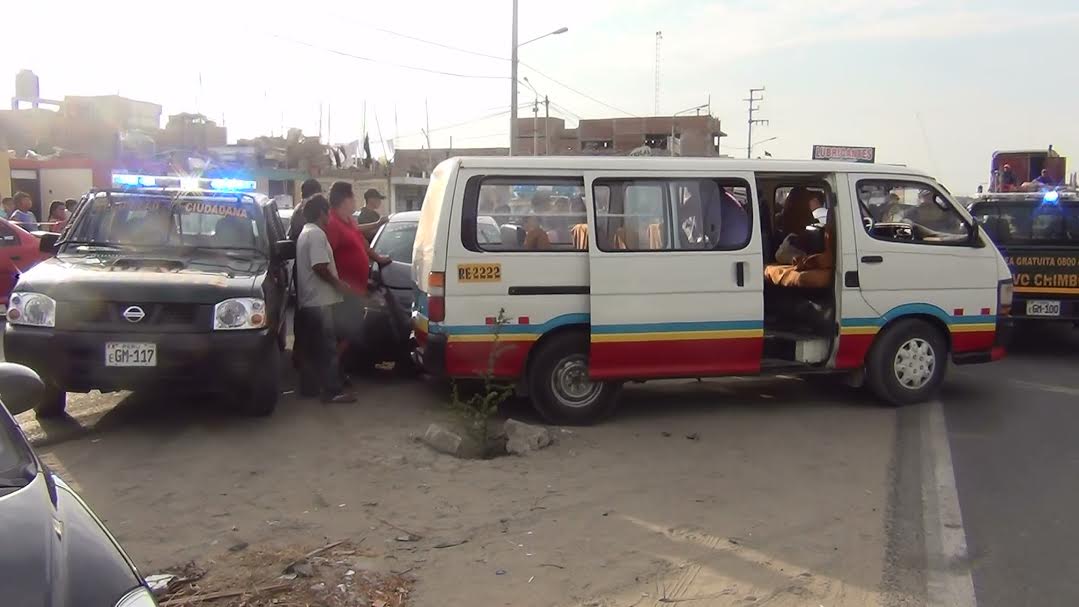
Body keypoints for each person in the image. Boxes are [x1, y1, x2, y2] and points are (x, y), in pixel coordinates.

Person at [294, 194, 355, 404]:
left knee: (312, 348)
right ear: (321, 212)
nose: (330, 215)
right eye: (327, 211)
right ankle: (333, 391)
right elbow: (320, 266)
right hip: (320, 301)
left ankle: (309, 388)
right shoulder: (317, 234)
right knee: (328, 348)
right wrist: (339, 285)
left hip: (310, 300)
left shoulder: (306, 232)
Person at [325, 182, 391, 373]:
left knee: (351, 331)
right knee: (346, 333)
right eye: (352, 197)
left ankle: (339, 370)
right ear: (345, 200)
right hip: (344, 291)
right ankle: (332, 373)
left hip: (356, 289)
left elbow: (362, 242)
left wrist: (378, 258)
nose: (355, 200)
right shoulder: (333, 223)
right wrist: (336, 283)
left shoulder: (348, 221)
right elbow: (326, 258)